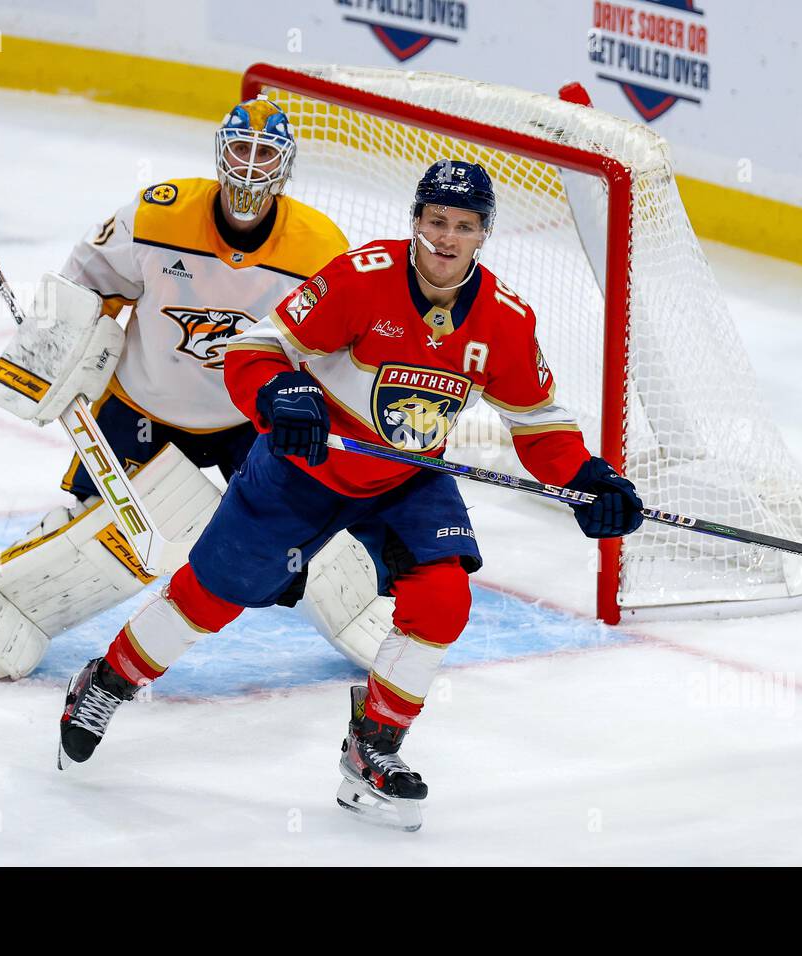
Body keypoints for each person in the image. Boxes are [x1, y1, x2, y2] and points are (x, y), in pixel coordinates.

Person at [56, 159, 645, 831]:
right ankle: (106, 681)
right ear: (416, 221)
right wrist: (282, 393)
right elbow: (256, 349)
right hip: (307, 467)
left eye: (463, 226)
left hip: (405, 476)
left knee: (443, 596)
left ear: (484, 233)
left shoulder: (505, 322)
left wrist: (587, 479)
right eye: (434, 222)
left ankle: (374, 745)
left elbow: (540, 424)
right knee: (214, 594)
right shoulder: (361, 278)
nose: (445, 239)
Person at [0, 96, 387, 681]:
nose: (251, 168)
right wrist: (53, 349)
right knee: (100, 522)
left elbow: (337, 343)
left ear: (286, 168)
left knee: (299, 522)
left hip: (248, 416)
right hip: (142, 402)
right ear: (219, 152)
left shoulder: (319, 247)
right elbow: (89, 280)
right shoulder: (159, 213)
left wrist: (323, 404)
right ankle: (10, 607)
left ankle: (360, 608)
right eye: (240, 149)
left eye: (266, 155)